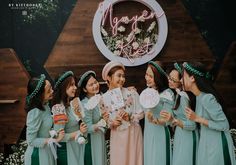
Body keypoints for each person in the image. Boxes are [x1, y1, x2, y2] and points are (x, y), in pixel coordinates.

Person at [182, 62, 236, 165]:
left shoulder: (208, 98)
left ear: (192, 78)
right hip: (207, 144)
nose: (181, 80)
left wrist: (197, 118)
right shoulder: (198, 98)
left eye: (183, 76)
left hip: (218, 145)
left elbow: (224, 125)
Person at [101, 61, 144, 165]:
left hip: (133, 133)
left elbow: (142, 113)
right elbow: (105, 121)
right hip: (117, 135)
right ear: (109, 78)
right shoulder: (103, 99)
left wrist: (130, 117)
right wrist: (112, 124)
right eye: (118, 76)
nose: (122, 79)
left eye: (123, 76)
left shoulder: (132, 93)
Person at [160, 63, 198, 165]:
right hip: (180, 134)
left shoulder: (184, 97)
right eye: (169, 78)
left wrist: (174, 121)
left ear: (181, 82)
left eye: (173, 80)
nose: (169, 81)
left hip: (188, 137)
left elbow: (192, 124)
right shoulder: (177, 95)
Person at [24, 74, 64, 165]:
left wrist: (54, 133)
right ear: (39, 95)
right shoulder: (34, 112)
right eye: (48, 90)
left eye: (51, 88)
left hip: (46, 151)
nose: (52, 91)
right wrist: (53, 140)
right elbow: (31, 140)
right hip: (37, 155)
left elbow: (43, 128)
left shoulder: (45, 106)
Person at [52, 71, 87, 165]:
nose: (75, 87)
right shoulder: (59, 108)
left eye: (74, 84)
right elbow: (59, 137)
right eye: (71, 85)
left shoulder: (73, 103)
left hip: (77, 147)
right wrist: (79, 132)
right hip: (67, 151)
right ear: (63, 87)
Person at [143, 61, 174, 165]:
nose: (147, 78)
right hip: (148, 133)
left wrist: (154, 120)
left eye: (151, 76)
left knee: (159, 160)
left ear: (159, 77)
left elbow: (167, 120)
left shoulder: (167, 94)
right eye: (146, 74)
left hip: (160, 133)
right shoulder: (146, 92)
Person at [78, 70, 108, 165]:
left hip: (100, 136)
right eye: (91, 85)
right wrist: (100, 124)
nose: (95, 86)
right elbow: (87, 128)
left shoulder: (100, 98)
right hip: (91, 140)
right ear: (84, 89)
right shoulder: (85, 104)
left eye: (95, 82)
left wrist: (105, 120)